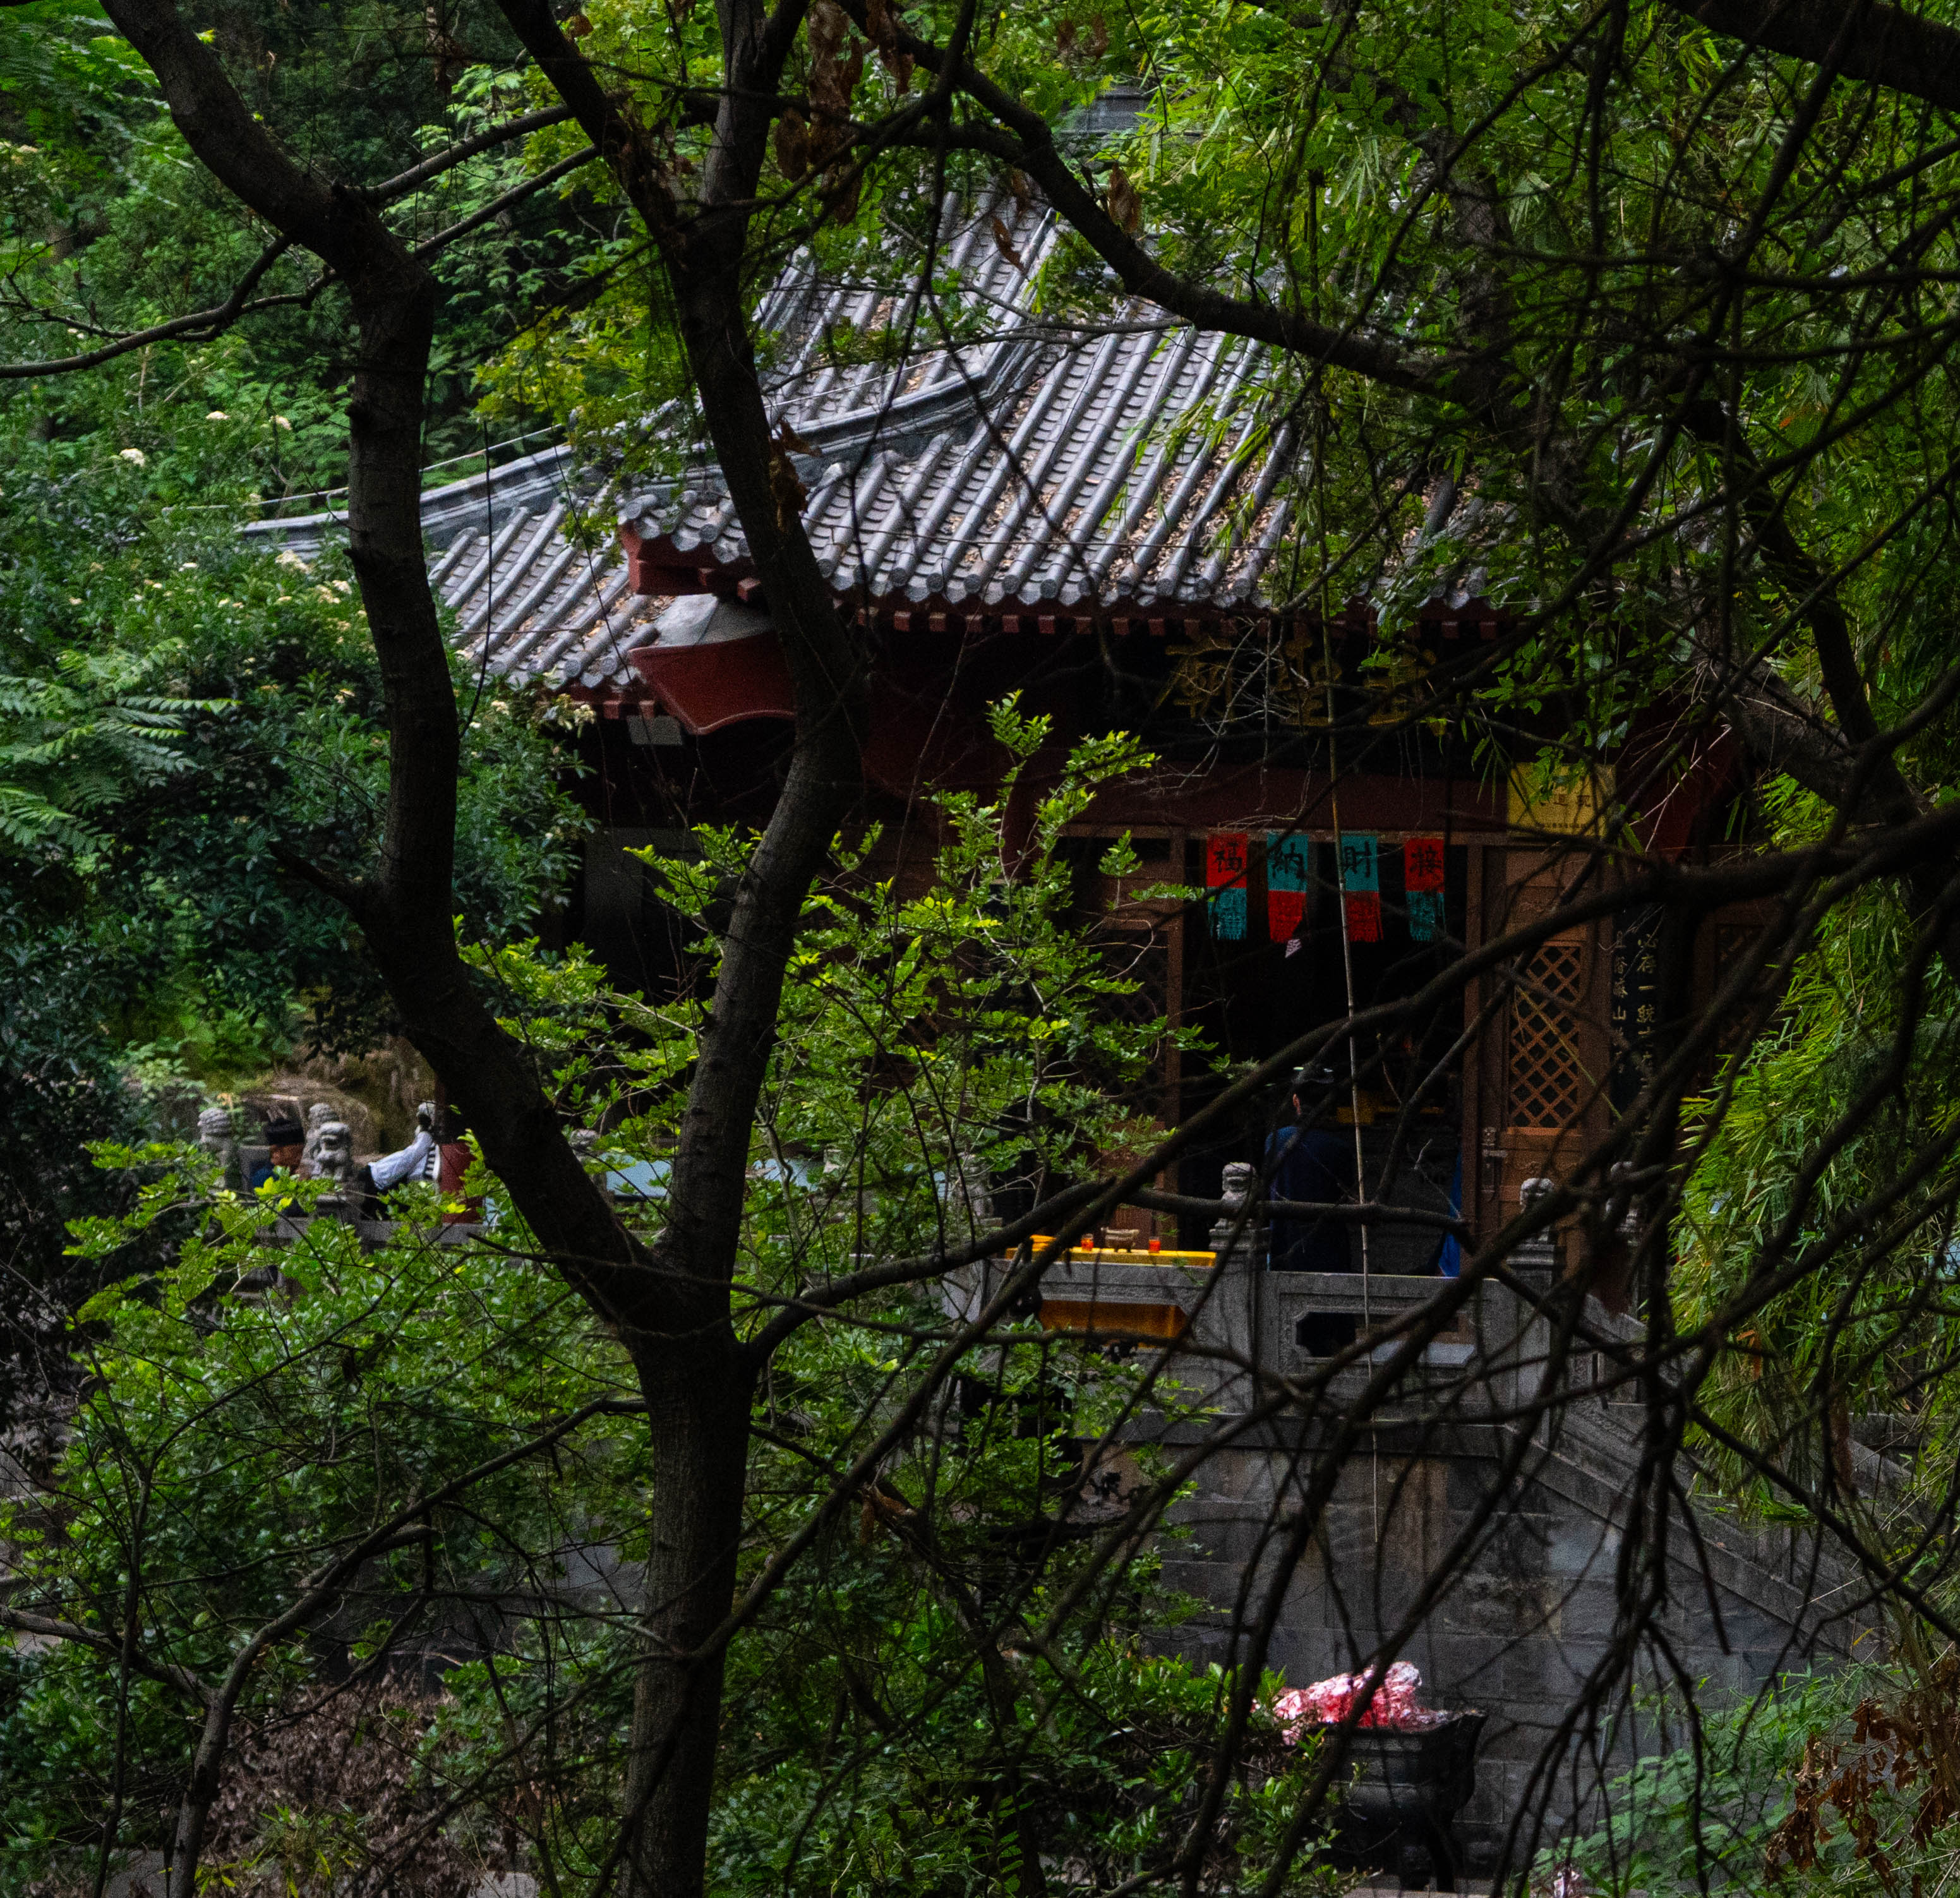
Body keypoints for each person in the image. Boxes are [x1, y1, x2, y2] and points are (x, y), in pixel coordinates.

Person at [1265, 1068, 1357, 1272]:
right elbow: (1349, 1196)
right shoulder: (1339, 1148)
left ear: (1295, 1101)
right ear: (1328, 1104)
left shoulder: (1274, 1141)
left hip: (1283, 1247)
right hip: (1329, 1253)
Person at [248, 1117, 305, 1192]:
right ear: (276, 1152)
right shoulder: (264, 1177)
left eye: (301, 1152)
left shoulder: (295, 1171)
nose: (300, 1157)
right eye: (294, 1152)